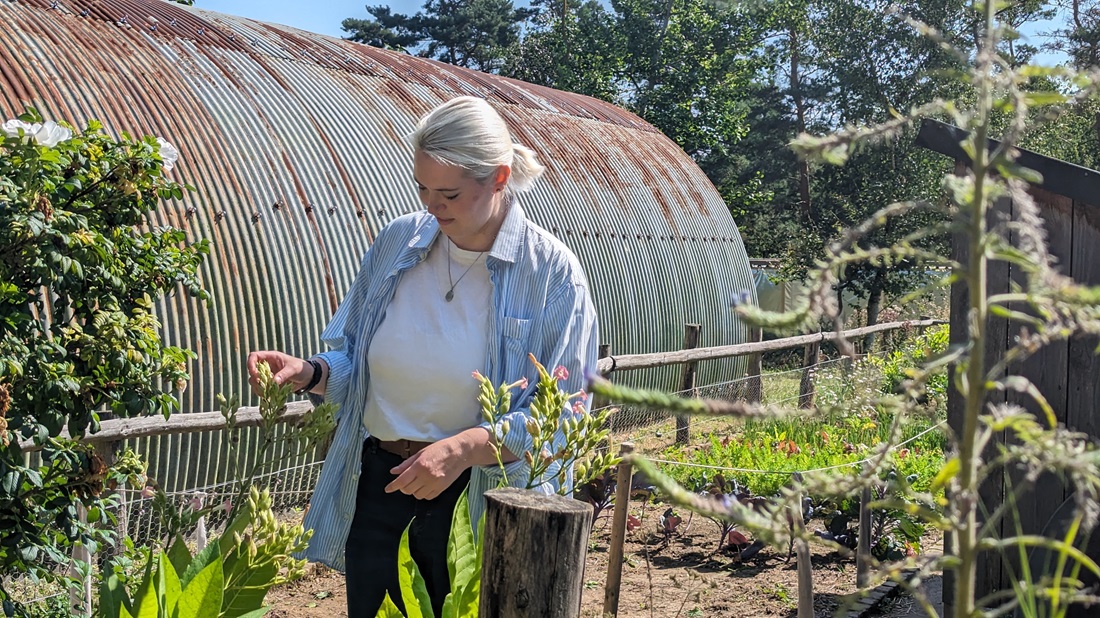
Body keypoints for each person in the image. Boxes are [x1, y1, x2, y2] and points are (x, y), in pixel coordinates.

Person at [247, 96, 598, 617]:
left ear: (499, 178)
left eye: (450, 193)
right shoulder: (398, 244)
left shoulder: (550, 273)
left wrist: (459, 450)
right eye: (423, 188)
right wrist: (311, 372)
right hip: (381, 478)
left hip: (476, 495)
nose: (433, 206)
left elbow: (565, 415)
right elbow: (360, 365)